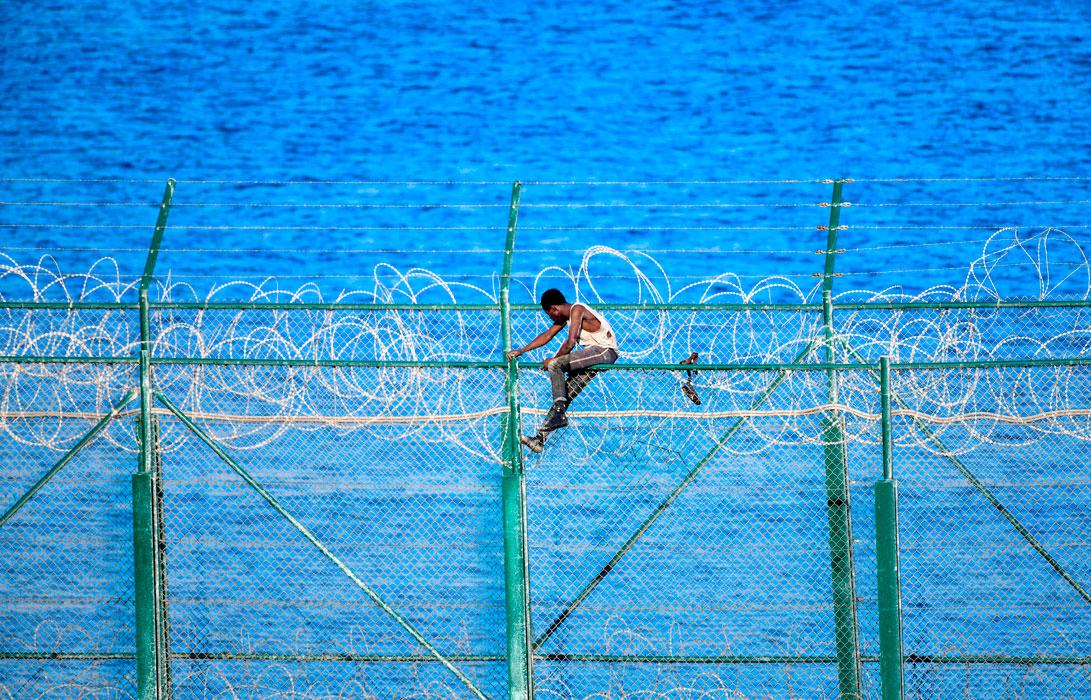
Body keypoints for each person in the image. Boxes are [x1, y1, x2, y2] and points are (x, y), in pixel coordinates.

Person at [506, 288, 620, 453]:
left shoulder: (577, 310)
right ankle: (540, 439)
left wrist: (554, 360)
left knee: (555, 365)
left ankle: (559, 413)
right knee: (563, 394)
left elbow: (570, 342)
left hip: (604, 351)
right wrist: (522, 351)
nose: (551, 318)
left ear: (554, 309)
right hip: (591, 355)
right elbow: (547, 336)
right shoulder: (565, 317)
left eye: (549, 314)